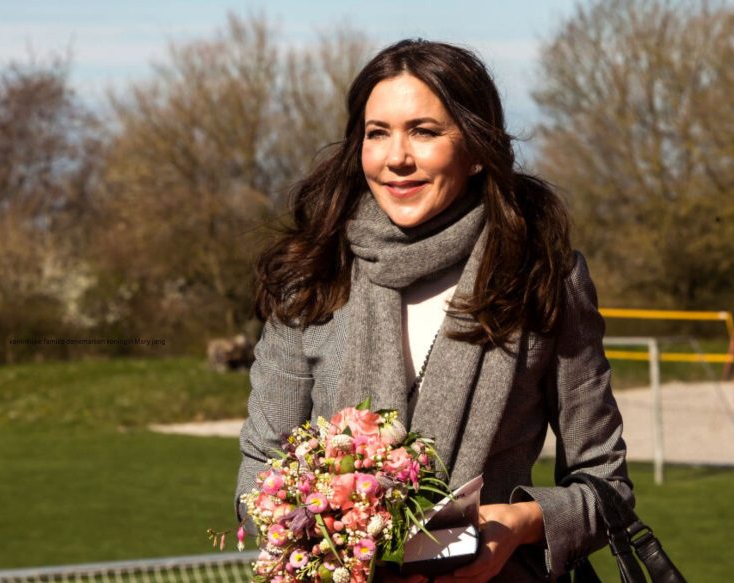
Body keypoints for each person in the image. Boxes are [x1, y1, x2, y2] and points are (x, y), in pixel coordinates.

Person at [235, 39, 632, 582]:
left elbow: (604, 484)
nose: (397, 157)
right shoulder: (312, 275)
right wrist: (328, 529)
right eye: (378, 134)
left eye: (423, 131)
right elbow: (261, 471)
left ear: (475, 148)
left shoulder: (543, 276)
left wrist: (515, 524)